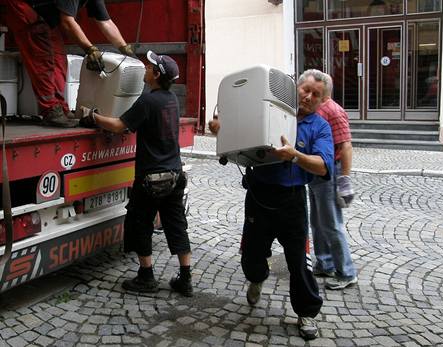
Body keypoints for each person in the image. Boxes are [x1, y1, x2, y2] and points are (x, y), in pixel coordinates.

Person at [209, 69, 334, 340]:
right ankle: (257, 277)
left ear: (323, 101)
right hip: (258, 195)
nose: (309, 97)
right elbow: (237, 136)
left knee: (299, 262)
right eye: (306, 90)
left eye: (317, 95)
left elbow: (324, 167)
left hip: (292, 202)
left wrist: (296, 156)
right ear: (295, 87)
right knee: (252, 256)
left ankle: (306, 313)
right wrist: (221, 129)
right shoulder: (265, 107)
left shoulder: (320, 127)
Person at [79, 51, 193, 297]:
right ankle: (185, 278)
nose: (146, 68)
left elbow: (119, 125)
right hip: (174, 174)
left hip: (151, 178)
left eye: (150, 67)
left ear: (157, 74)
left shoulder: (147, 102)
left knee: (140, 222)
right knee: (177, 225)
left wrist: (92, 115)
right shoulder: (172, 99)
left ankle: (146, 276)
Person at [5, 0, 135, 128]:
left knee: (59, 59)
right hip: (21, 5)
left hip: (41, 12)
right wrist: (90, 49)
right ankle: (51, 110)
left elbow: (105, 22)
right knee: (43, 57)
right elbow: (67, 22)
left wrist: (125, 49)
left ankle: (60, 107)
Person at [309, 71, 357, 290]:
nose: (308, 93)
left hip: (330, 171)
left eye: (313, 89)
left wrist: (344, 179)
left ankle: (346, 272)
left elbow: (346, 146)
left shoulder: (333, 111)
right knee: (318, 222)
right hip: (316, 171)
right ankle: (325, 263)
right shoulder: (317, 107)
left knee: (331, 224)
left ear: (324, 90)